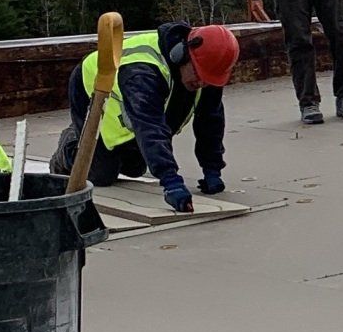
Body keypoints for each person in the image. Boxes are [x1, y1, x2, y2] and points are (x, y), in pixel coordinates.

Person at [47, 23, 239, 214]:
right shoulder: (142, 71)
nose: (201, 83)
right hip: (92, 88)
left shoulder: (206, 68)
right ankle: (70, 144)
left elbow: (210, 120)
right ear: (181, 54)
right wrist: (170, 181)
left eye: (208, 79)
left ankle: (115, 151)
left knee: (135, 168)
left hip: (140, 108)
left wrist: (212, 169)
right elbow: (150, 126)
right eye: (198, 75)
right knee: (100, 175)